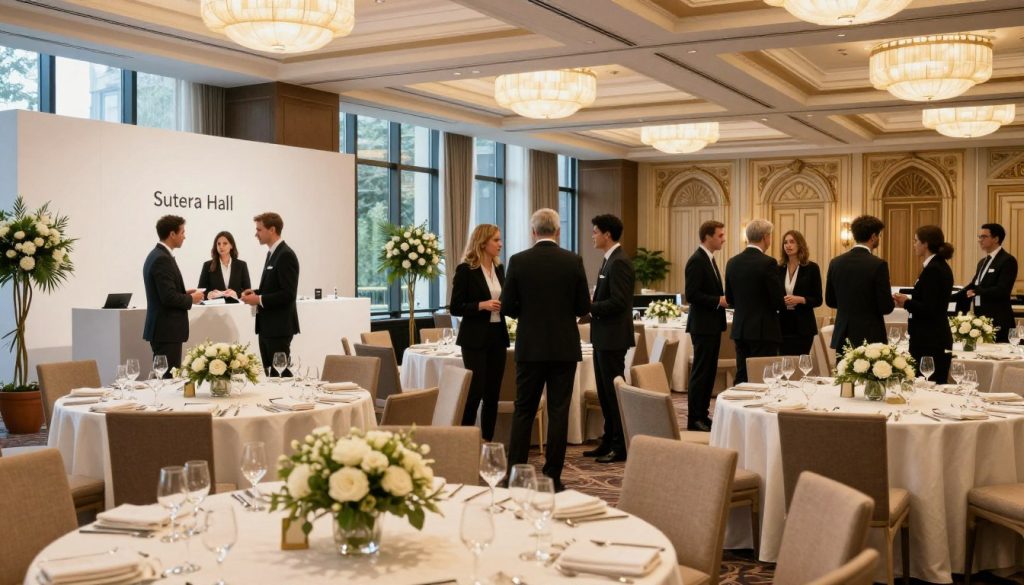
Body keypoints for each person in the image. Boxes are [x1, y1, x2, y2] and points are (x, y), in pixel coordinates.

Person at [501, 208, 590, 492]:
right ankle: (553, 475)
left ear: (533, 232)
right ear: (558, 231)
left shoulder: (518, 261)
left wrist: (527, 314)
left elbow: (508, 306)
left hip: (530, 346)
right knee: (559, 411)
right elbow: (583, 308)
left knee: (523, 410)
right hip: (564, 347)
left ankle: (515, 473)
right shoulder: (572, 261)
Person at [449, 224, 510, 441]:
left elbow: (506, 300)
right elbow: (455, 307)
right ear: (483, 243)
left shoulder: (500, 269)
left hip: (497, 335)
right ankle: (465, 442)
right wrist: (481, 305)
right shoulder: (466, 270)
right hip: (474, 338)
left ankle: (487, 442)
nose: (500, 244)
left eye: (500, 240)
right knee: (474, 393)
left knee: (492, 395)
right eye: (496, 240)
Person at [584, 214, 635, 463]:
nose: (592, 236)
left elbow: (619, 301)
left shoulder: (619, 262)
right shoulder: (609, 260)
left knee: (613, 393)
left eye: (595, 232)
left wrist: (590, 307)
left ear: (607, 234)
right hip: (604, 336)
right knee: (605, 392)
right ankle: (608, 440)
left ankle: (620, 445)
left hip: (613, 337)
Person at [725, 219, 785, 385]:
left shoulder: (732, 262)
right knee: (763, 377)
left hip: (740, 328)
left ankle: (738, 408)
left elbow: (729, 299)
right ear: (765, 237)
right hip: (763, 330)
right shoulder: (768, 263)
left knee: (742, 374)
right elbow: (777, 300)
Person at [825, 215, 895, 355]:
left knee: (844, 375)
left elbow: (830, 300)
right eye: (879, 235)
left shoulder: (836, 262)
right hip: (871, 335)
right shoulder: (878, 264)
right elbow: (885, 307)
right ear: (873, 236)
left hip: (844, 333)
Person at [241, 212, 300, 375]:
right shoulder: (272, 253)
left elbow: (288, 294)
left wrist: (258, 299)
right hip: (267, 327)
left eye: (259, 230)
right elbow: (274, 288)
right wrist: (256, 293)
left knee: (280, 375)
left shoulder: (285, 255)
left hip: (279, 328)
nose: (256, 234)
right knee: (271, 376)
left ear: (272, 229)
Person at [142, 215, 203, 373]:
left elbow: (166, 292)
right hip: (167, 330)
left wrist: (183, 293)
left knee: (165, 377)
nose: (185, 236)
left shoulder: (157, 255)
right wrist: (191, 299)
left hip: (164, 330)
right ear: (172, 234)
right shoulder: (162, 258)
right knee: (167, 379)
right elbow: (168, 297)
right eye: (182, 232)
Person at [894, 226, 954, 384]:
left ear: (925, 244)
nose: (914, 245)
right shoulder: (936, 266)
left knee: (930, 385)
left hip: (931, 339)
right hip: (930, 336)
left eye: (916, 241)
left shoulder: (934, 269)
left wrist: (906, 302)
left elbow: (930, 308)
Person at [684, 220, 727, 432]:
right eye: (720, 235)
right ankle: (694, 418)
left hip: (710, 324)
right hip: (702, 325)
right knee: (701, 372)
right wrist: (717, 300)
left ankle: (703, 414)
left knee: (709, 372)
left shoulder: (708, 259)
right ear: (707, 237)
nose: (723, 239)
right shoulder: (697, 260)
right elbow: (691, 294)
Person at [954, 223, 1018, 342]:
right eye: (979, 237)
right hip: (981, 318)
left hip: (998, 318)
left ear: (996, 239)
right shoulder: (983, 261)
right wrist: (954, 296)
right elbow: (974, 284)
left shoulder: (1007, 260)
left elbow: (1002, 289)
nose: (980, 240)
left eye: (984, 237)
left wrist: (977, 291)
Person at [777, 230, 823, 356]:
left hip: (803, 326)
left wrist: (801, 299)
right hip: (782, 325)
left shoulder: (812, 268)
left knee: (800, 364)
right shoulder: (778, 268)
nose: (788, 245)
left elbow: (818, 300)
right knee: (784, 363)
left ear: (800, 244)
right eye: (785, 242)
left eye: (792, 242)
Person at [197, 231, 252, 301]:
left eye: (225, 243)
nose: (221, 246)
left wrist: (236, 294)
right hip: (215, 309)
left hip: (236, 308)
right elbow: (200, 291)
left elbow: (247, 291)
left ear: (231, 245)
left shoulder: (242, 265)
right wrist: (209, 294)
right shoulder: (207, 265)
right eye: (218, 244)